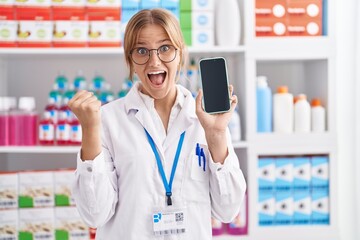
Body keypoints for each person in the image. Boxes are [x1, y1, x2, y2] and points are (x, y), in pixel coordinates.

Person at [69, 8, 246, 240]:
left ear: (180, 53)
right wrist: (90, 129)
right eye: (142, 50)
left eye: (165, 48)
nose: (154, 61)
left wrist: (217, 134)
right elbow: (95, 215)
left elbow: (228, 210)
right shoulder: (107, 120)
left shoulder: (206, 120)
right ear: (130, 60)